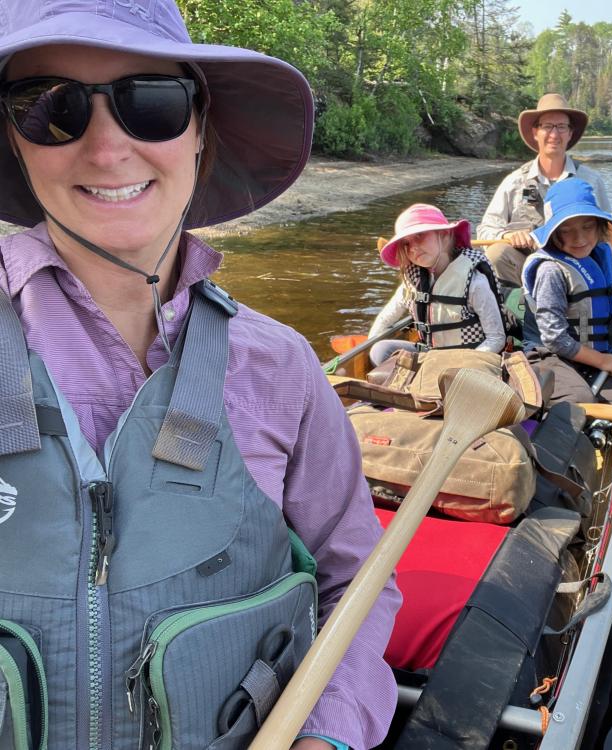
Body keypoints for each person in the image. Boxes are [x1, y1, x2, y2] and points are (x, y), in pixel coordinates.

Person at [0, 2, 399, 749]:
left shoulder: (280, 365)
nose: (108, 147)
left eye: (151, 102)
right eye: (48, 108)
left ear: (200, 127)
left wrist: (325, 734)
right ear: (12, 142)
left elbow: (360, 580)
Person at [521, 178, 612, 404]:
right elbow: (554, 339)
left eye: (588, 227)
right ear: (553, 233)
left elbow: (609, 275)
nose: (580, 238)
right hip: (551, 355)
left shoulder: (596, 253)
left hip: (588, 354)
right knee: (580, 398)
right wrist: (603, 362)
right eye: (567, 230)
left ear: (599, 225)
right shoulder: (551, 271)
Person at [477, 93, 612, 286]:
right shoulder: (514, 182)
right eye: (547, 126)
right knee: (496, 253)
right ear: (535, 132)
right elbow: (486, 229)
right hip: (528, 273)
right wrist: (506, 236)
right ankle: (521, 310)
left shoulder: (591, 181)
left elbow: (606, 236)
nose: (554, 134)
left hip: (579, 271)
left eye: (561, 127)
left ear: (570, 133)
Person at [368, 203, 507, 365]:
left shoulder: (475, 282)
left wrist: (463, 366)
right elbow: (385, 319)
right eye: (406, 244)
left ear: (445, 234)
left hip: (469, 360)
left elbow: (496, 338)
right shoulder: (412, 282)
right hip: (431, 356)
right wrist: (366, 347)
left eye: (420, 235)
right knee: (379, 351)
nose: (413, 248)